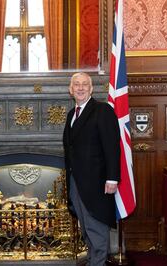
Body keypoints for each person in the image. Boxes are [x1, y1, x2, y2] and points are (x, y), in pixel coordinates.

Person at [63, 72, 120, 266]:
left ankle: (98, 262)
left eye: (84, 85)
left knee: (96, 225)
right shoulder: (72, 114)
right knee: (85, 226)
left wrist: (113, 178)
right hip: (76, 182)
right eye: (76, 85)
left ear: (91, 88)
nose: (80, 88)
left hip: (97, 182)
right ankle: (93, 259)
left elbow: (112, 146)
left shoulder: (102, 110)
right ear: (71, 90)